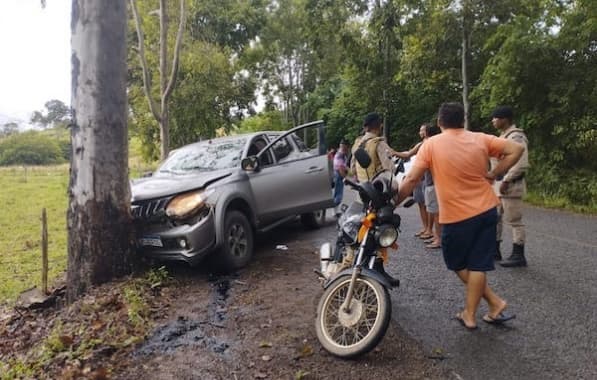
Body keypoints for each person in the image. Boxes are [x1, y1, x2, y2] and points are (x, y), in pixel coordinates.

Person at [397, 102, 524, 329]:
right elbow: (517, 150)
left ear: (439, 122)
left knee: (455, 261)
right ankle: (487, 307)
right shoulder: (480, 138)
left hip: (457, 216)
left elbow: (411, 180)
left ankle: (476, 312)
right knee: (478, 264)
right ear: (462, 121)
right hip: (486, 210)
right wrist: (494, 173)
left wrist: (392, 202)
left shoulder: (431, 144)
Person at [350, 112, 401, 286]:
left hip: (361, 195)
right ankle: (375, 270)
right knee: (380, 233)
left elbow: (352, 171)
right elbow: (391, 169)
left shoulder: (357, 144)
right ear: (378, 125)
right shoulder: (378, 143)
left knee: (363, 232)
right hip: (377, 195)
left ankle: (361, 266)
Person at [490, 106, 529, 267]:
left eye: (495, 118)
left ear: (504, 119)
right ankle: (494, 250)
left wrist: (507, 180)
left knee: (515, 220)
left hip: (511, 184)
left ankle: (518, 254)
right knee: (495, 219)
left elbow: (520, 163)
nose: (493, 121)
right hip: (499, 184)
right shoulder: (504, 136)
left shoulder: (516, 137)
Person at [421, 124, 442, 249]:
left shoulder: (430, 145)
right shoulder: (436, 144)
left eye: (423, 131)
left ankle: (438, 238)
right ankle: (436, 235)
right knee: (434, 211)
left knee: (436, 212)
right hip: (433, 182)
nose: (421, 133)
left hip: (432, 183)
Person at [332, 139, 350, 217]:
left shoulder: (340, 154)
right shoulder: (340, 155)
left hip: (337, 174)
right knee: (338, 195)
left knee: (337, 193)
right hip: (338, 175)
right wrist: (345, 178)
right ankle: (334, 212)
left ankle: (335, 211)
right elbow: (340, 168)